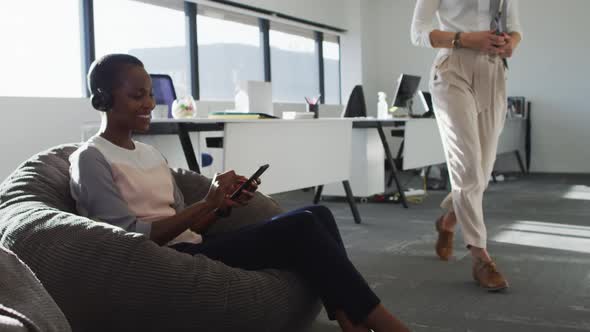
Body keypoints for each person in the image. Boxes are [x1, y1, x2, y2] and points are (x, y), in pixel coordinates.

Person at [68, 53, 410, 332]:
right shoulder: (91, 158)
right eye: (137, 95)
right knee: (302, 226)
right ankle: (383, 322)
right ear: (103, 99)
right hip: (166, 261)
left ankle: (350, 320)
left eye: (150, 95)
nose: (149, 104)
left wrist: (219, 208)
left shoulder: (151, 154)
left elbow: (188, 226)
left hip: (193, 245)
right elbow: (124, 237)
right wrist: (207, 201)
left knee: (318, 214)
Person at [411, 0, 522, 291]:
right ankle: (480, 256)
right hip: (452, 69)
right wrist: (464, 39)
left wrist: (510, 43)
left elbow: (516, 29)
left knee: (482, 171)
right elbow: (418, 32)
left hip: (494, 71)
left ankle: (448, 219)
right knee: (468, 166)